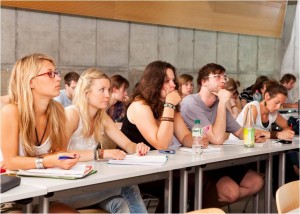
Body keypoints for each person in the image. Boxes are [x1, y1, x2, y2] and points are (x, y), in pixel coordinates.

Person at [121, 60, 209, 212]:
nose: (174, 85)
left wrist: (197, 140)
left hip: (157, 165)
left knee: (200, 181)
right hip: (133, 169)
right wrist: (169, 105)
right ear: (154, 82)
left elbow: (184, 136)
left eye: (173, 80)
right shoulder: (139, 105)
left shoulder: (164, 105)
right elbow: (161, 144)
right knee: (179, 185)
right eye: (167, 81)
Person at [1, 53, 79, 213]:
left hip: (42, 193)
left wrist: (26, 162)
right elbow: (11, 163)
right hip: (8, 197)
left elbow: (59, 153)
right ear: (31, 82)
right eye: (50, 74)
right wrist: (47, 161)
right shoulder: (11, 111)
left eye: (56, 73)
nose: (58, 78)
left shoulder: (58, 111)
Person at [64, 68, 149, 213]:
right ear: (86, 93)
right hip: (65, 188)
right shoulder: (72, 114)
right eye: (101, 90)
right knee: (127, 185)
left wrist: (138, 147)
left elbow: (127, 144)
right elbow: (60, 153)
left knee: (120, 204)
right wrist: (100, 154)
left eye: (108, 90)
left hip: (87, 182)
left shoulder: (101, 117)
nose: (107, 95)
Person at [180, 63, 264, 208]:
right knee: (232, 192)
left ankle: (208, 205)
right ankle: (200, 207)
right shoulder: (191, 102)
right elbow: (217, 139)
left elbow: (238, 132)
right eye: (217, 76)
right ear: (203, 81)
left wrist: (256, 135)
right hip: (198, 164)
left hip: (218, 160)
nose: (223, 80)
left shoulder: (218, 102)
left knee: (257, 181)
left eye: (224, 76)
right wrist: (223, 104)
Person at [229, 82, 295, 140]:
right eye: (276, 102)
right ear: (267, 96)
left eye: (281, 104)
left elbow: (288, 126)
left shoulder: (273, 113)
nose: (278, 107)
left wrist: (286, 133)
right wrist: (277, 135)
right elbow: (248, 131)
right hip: (237, 146)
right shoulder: (253, 107)